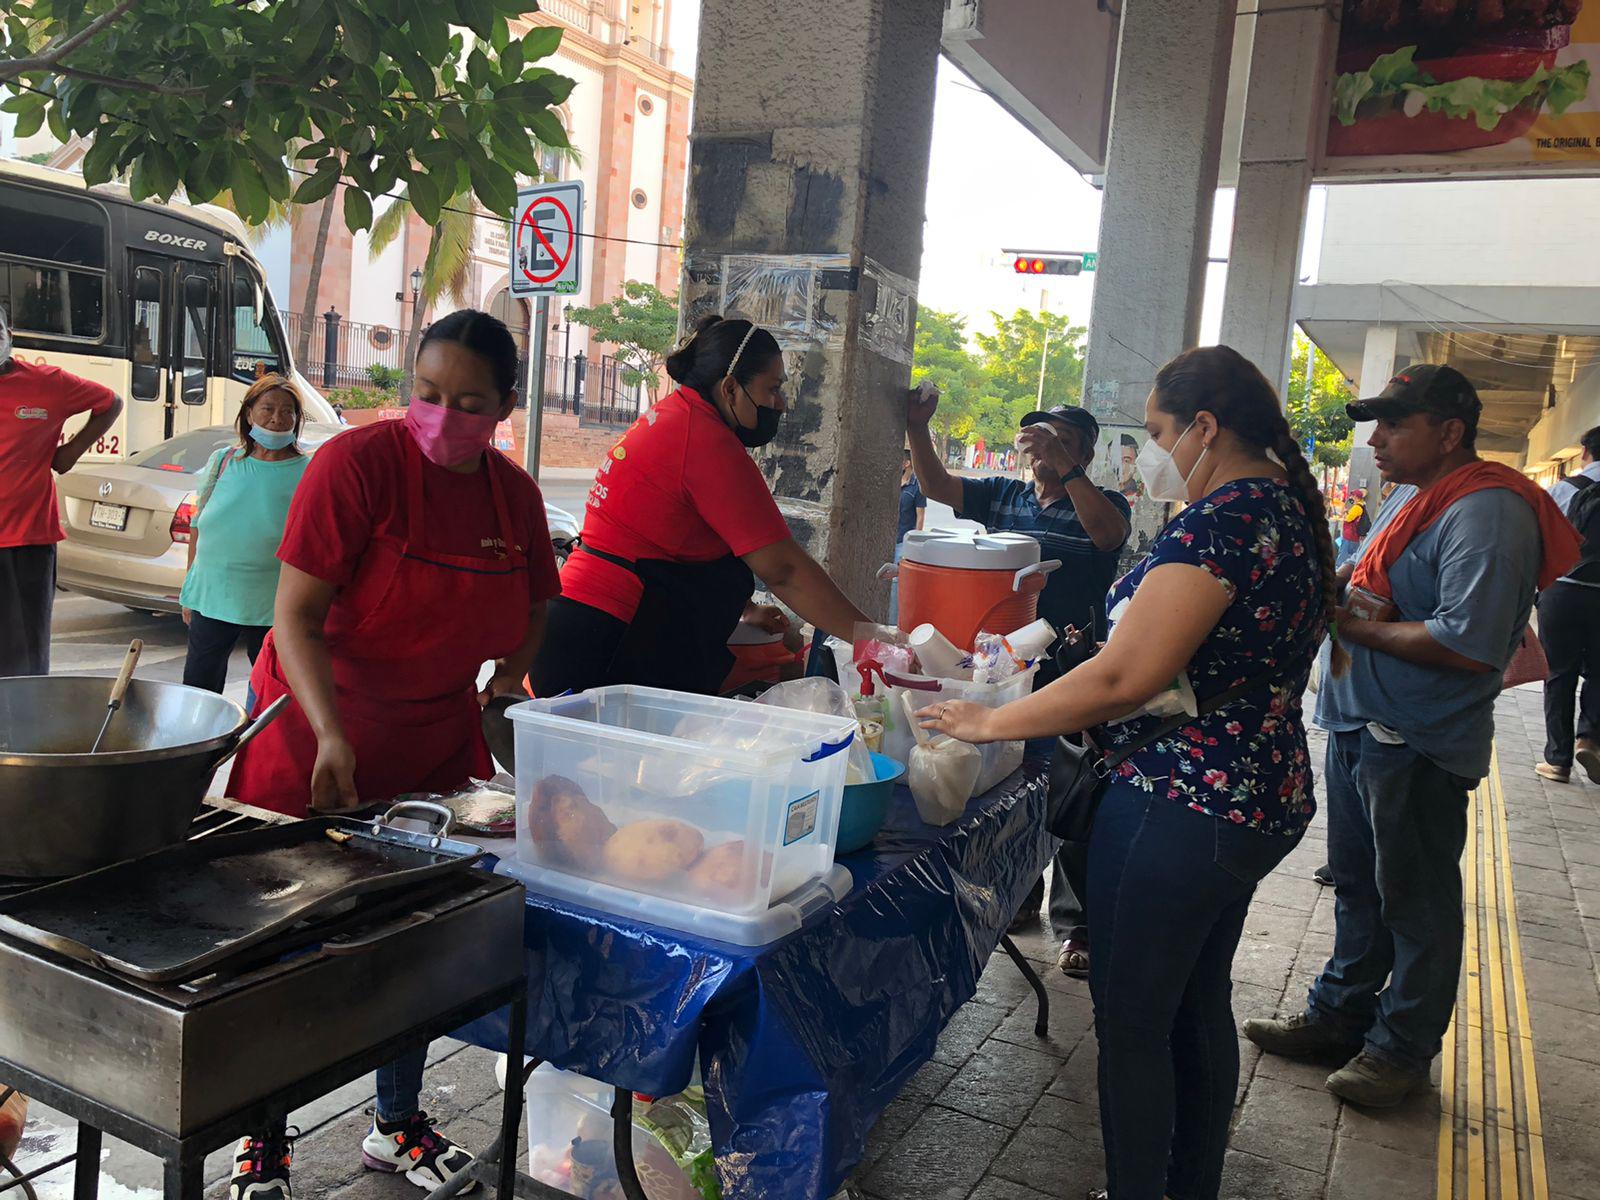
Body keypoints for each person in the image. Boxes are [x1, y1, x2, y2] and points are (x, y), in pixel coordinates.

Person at [919, 346, 1334, 1200]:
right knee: (1193, 1005)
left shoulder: (1223, 519)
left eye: (1154, 433)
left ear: (1205, 429)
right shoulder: (1285, 511)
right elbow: (1168, 657)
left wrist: (987, 719)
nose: (1143, 454)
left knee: (1137, 1023)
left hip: (1183, 803)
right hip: (1254, 793)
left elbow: (1126, 678)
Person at [225, 310, 562, 1199]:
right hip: (311, 731)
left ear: (505, 407)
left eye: (470, 402)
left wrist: (504, 687)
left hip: (431, 744)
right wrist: (332, 733)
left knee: (411, 941)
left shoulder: (512, 494)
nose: (443, 415)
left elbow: (536, 605)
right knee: (281, 948)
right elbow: (292, 616)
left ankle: (395, 1121)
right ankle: (263, 1135)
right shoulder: (355, 465)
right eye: (427, 394)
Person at [1245, 365, 1579, 1109]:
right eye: (1377, 424)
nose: (1377, 440)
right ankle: (1340, 1017)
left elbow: (1471, 641)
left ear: (1449, 431)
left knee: (1417, 905)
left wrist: (1357, 628)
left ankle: (1400, 1052)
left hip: (1417, 740)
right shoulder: (1417, 496)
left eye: (1395, 424)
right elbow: (1376, 581)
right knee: (1359, 887)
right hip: (1366, 724)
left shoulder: (1486, 510)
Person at [908, 392, 1132, 978]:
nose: (1042, 448)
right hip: (1003, 669)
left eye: (1058, 439)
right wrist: (916, 428)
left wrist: (1069, 470)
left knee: (1076, 784)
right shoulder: (1002, 493)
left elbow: (1107, 538)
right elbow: (938, 489)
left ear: (1083, 449)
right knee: (1015, 782)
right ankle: (1018, 893)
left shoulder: (1102, 500)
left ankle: (1078, 922)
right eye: (1038, 437)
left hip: (1074, 663)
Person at [530, 315, 870, 697]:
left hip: (585, 626)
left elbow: (682, 537)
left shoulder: (678, 416)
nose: (782, 404)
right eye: (772, 389)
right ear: (730, 388)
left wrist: (746, 609)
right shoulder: (704, 440)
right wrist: (873, 640)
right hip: (605, 641)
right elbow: (785, 570)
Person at [0, 305, 123, 677]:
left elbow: (110, 402)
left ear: (9, 335)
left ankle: (22, 732)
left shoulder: (47, 384)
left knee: (25, 659)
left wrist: (70, 452)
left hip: (27, 543)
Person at [180, 375, 311, 697]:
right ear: (249, 413)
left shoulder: (309, 470)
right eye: (267, 408)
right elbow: (199, 524)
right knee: (199, 690)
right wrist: (189, 587)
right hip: (212, 593)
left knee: (272, 687)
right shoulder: (223, 461)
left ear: (297, 420)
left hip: (273, 601)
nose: (277, 418)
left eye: (288, 411)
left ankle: (260, 747)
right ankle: (204, 748)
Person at [1537, 426, 1600, 783]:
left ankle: (1557, 759)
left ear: (1584, 452)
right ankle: (1589, 738)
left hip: (1562, 590)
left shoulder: (1562, 490)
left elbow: (1538, 544)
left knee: (1559, 672)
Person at [887, 444, 926, 622]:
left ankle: (894, 623)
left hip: (903, 541)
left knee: (896, 585)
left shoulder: (917, 487)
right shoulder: (891, 482)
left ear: (906, 463)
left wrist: (914, 545)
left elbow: (920, 516)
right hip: (887, 539)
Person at [1338, 487, 1370, 566]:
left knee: (1343, 556)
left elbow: (1348, 519)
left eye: (1352, 496)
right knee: (1353, 556)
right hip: (1354, 536)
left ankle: (1339, 571)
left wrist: (1345, 513)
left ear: (1356, 497)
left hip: (1350, 536)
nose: (1351, 498)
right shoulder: (1361, 506)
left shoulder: (1357, 507)